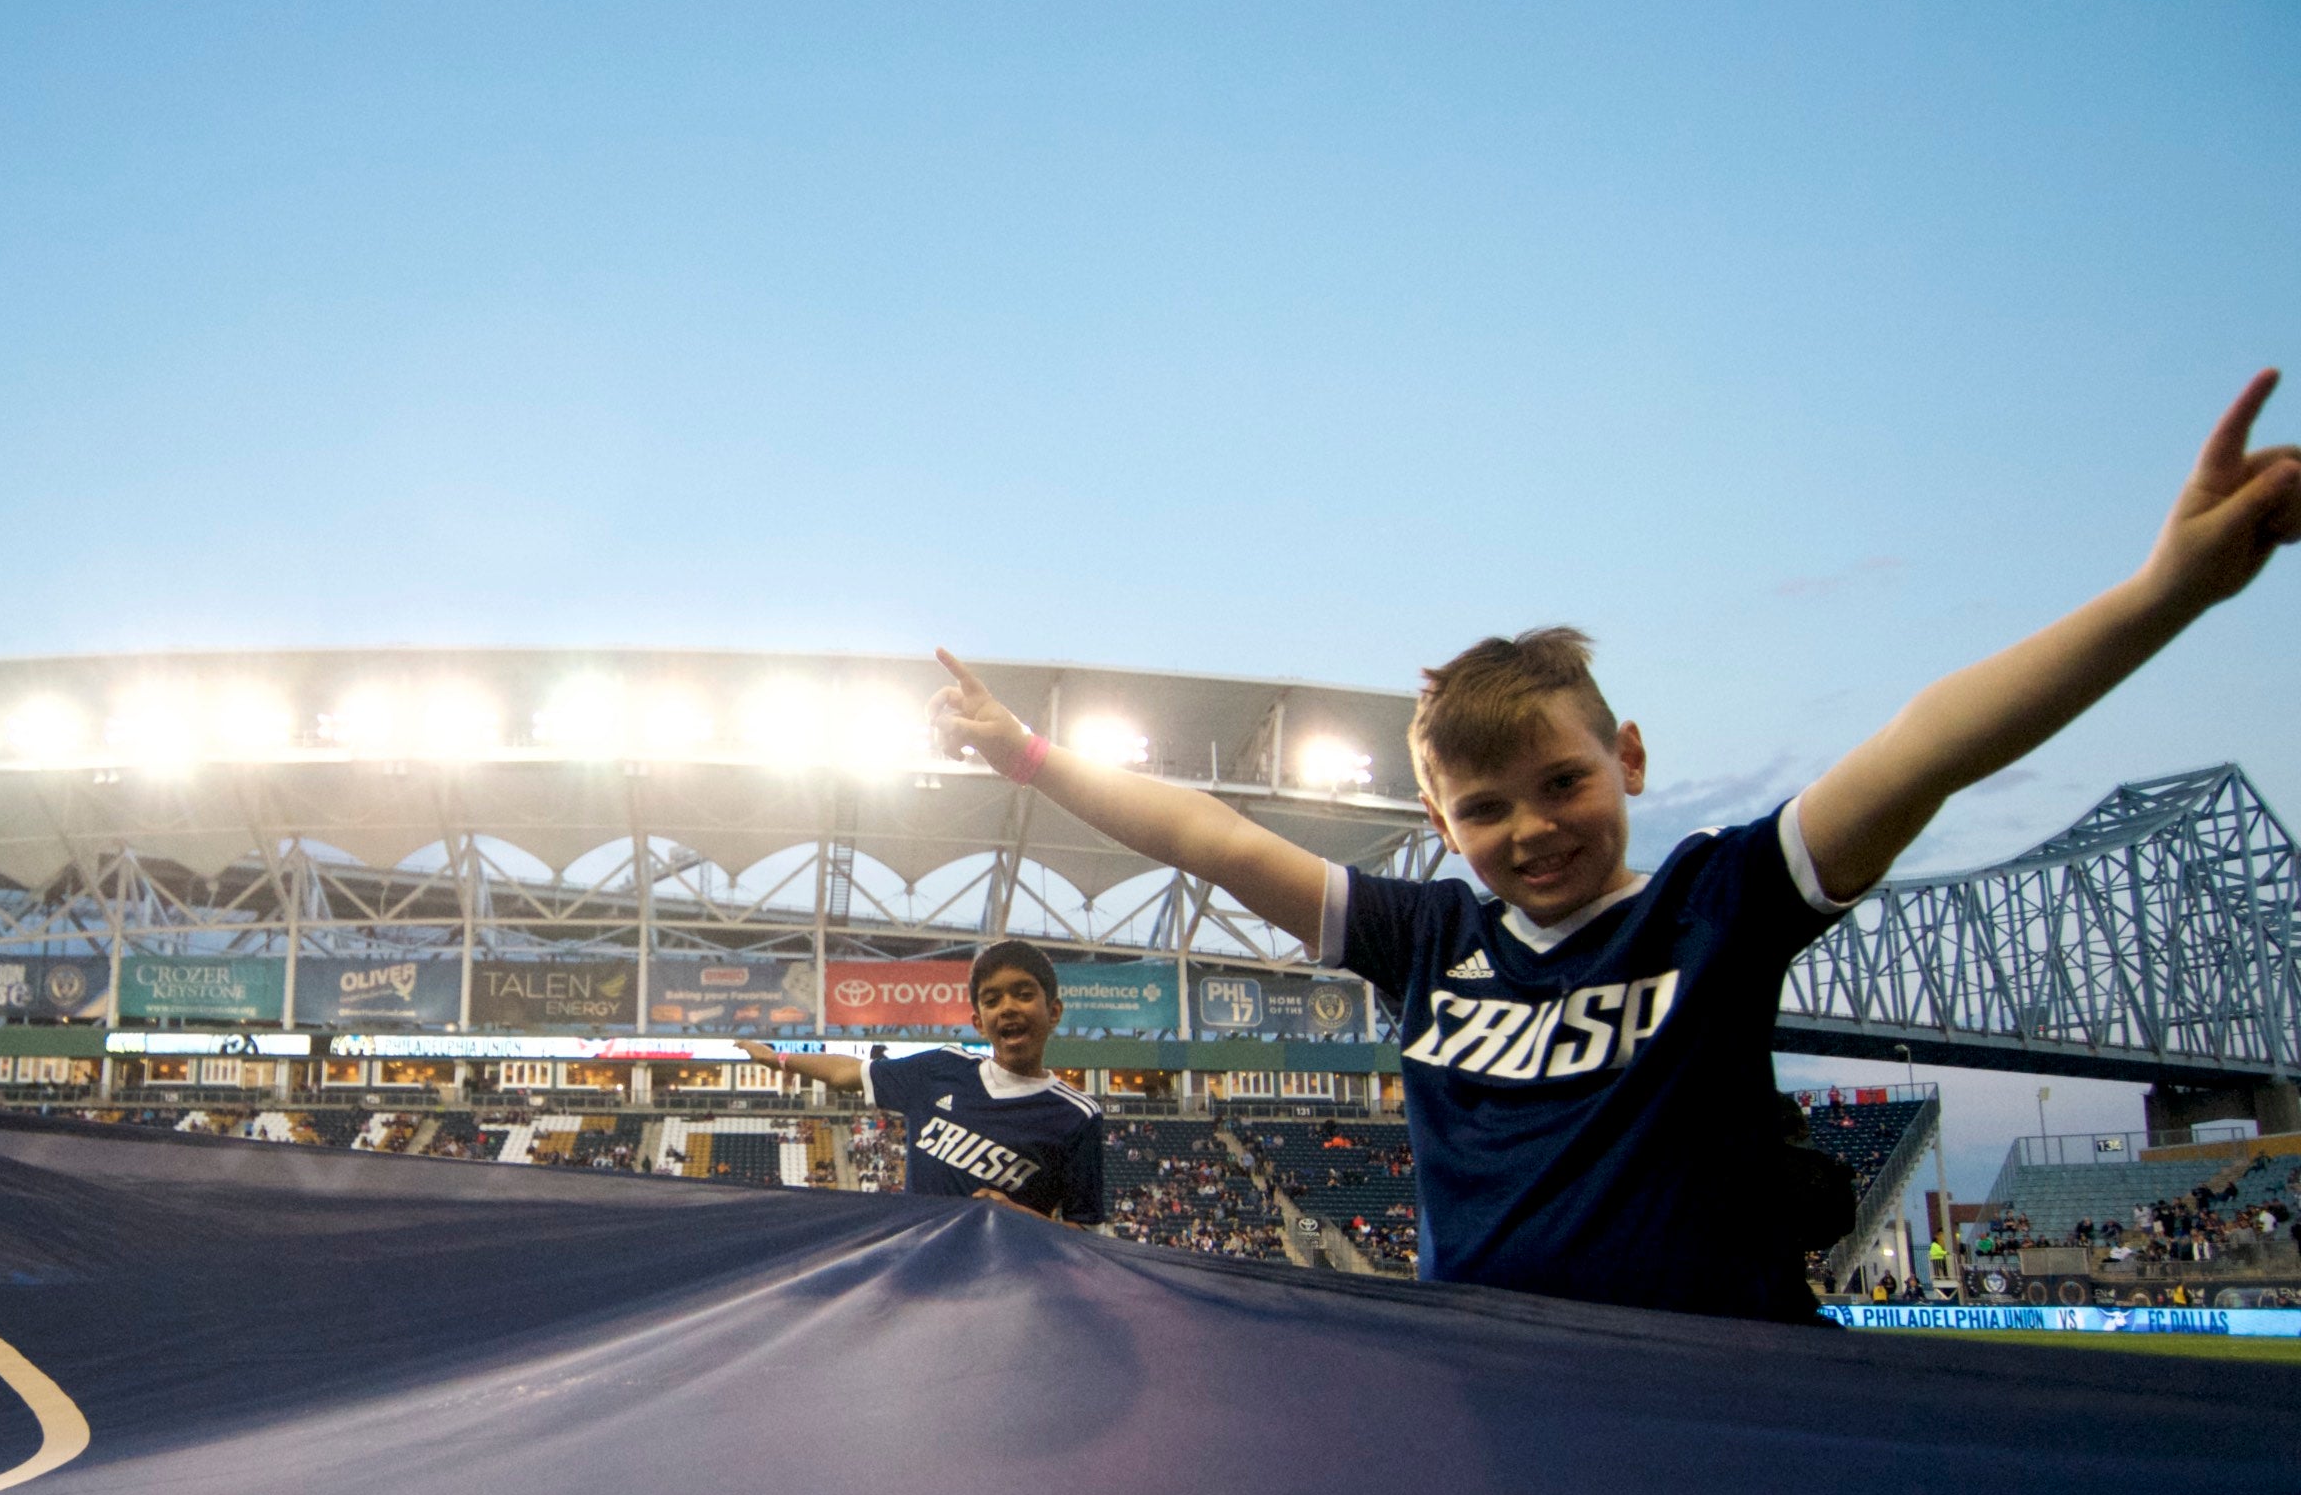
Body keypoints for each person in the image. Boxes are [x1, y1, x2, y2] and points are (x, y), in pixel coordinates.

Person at [928, 370, 2298, 1320]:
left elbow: (1930, 746)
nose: (1528, 829)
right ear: (1442, 823)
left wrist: (2165, 592)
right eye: (1481, 809)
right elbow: (1210, 835)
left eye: (1561, 781)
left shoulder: (1721, 901)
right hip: (1504, 1395)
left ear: (1629, 756)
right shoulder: (1429, 938)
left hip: (1725, 1389)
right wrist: (1022, 752)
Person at [740, 938, 1105, 1221]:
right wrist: (780, 1059)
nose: (1007, 1007)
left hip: (1004, 1294)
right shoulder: (939, 1069)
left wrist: (1019, 1217)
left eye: (1023, 995)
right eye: (992, 1000)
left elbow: (1084, 1236)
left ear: (1053, 1011)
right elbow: (847, 1072)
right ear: (978, 1022)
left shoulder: (1078, 1117)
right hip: (916, 1275)